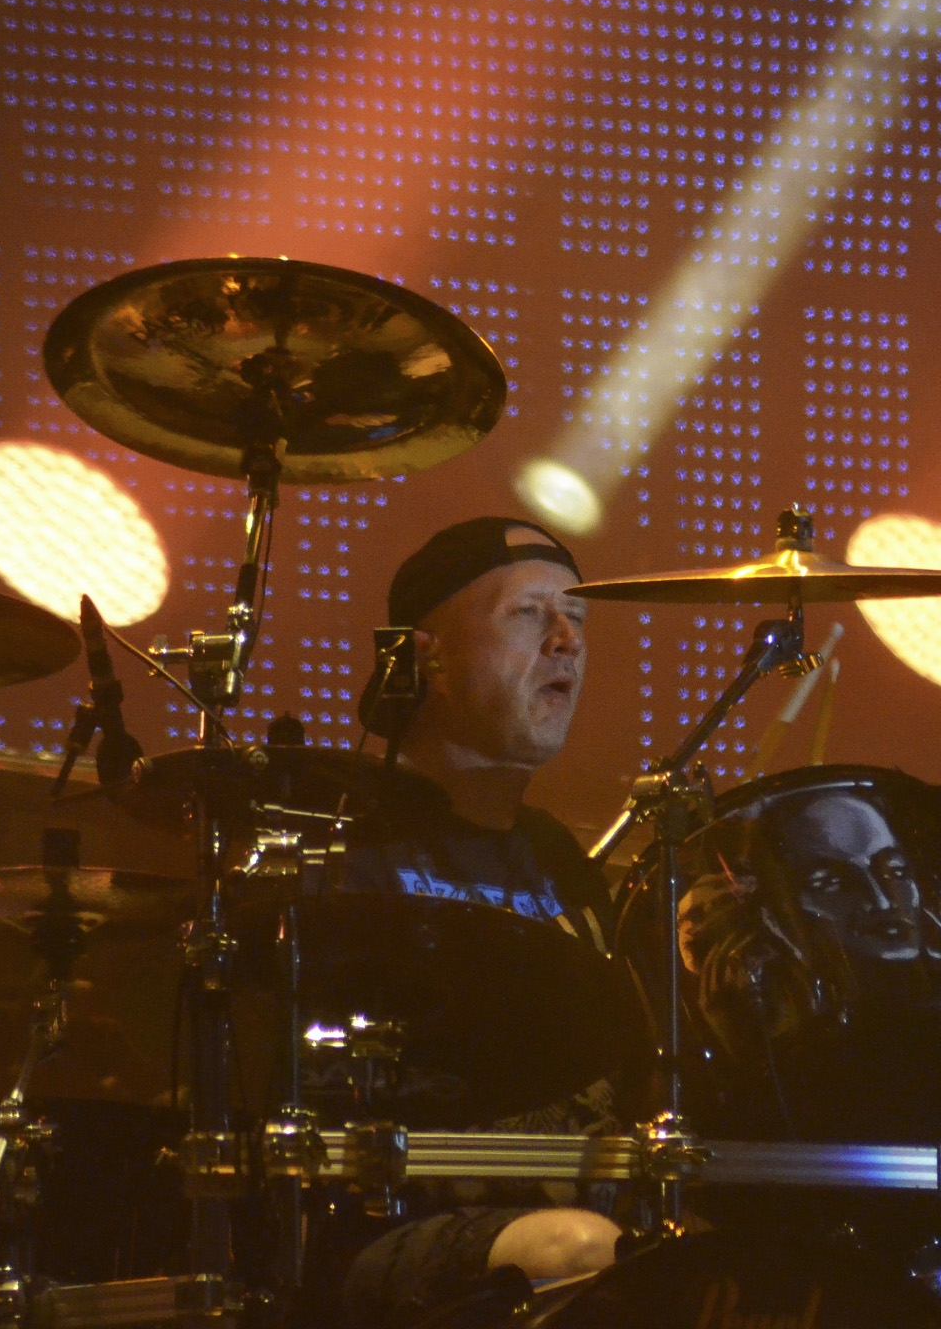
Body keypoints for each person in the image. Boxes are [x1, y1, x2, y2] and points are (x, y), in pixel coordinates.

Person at [330, 516, 625, 1329]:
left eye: (577, 617)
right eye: (528, 613)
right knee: (583, 1250)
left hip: (571, 1203)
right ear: (426, 658)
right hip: (388, 1224)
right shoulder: (345, 842)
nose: (567, 640)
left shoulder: (560, 859)